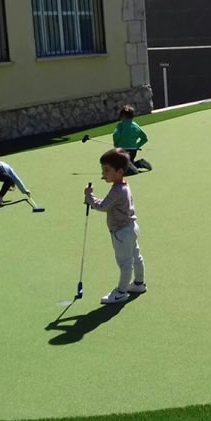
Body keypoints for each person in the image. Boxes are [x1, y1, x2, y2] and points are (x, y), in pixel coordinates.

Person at [84, 149, 147, 304]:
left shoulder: (118, 190)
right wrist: (92, 199)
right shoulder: (123, 185)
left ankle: (121, 292)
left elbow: (103, 206)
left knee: (125, 263)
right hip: (131, 227)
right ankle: (139, 283)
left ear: (119, 172)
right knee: (135, 256)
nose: (103, 173)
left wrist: (89, 197)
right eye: (103, 169)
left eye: (107, 170)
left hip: (121, 232)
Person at [113, 105, 152, 176]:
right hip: (133, 150)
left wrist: (116, 144)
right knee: (129, 161)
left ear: (123, 116)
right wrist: (137, 146)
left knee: (122, 164)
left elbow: (115, 135)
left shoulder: (120, 125)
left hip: (122, 150)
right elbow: (144, 138)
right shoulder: (136, 126)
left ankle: (133, 168)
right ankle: (139, 163)